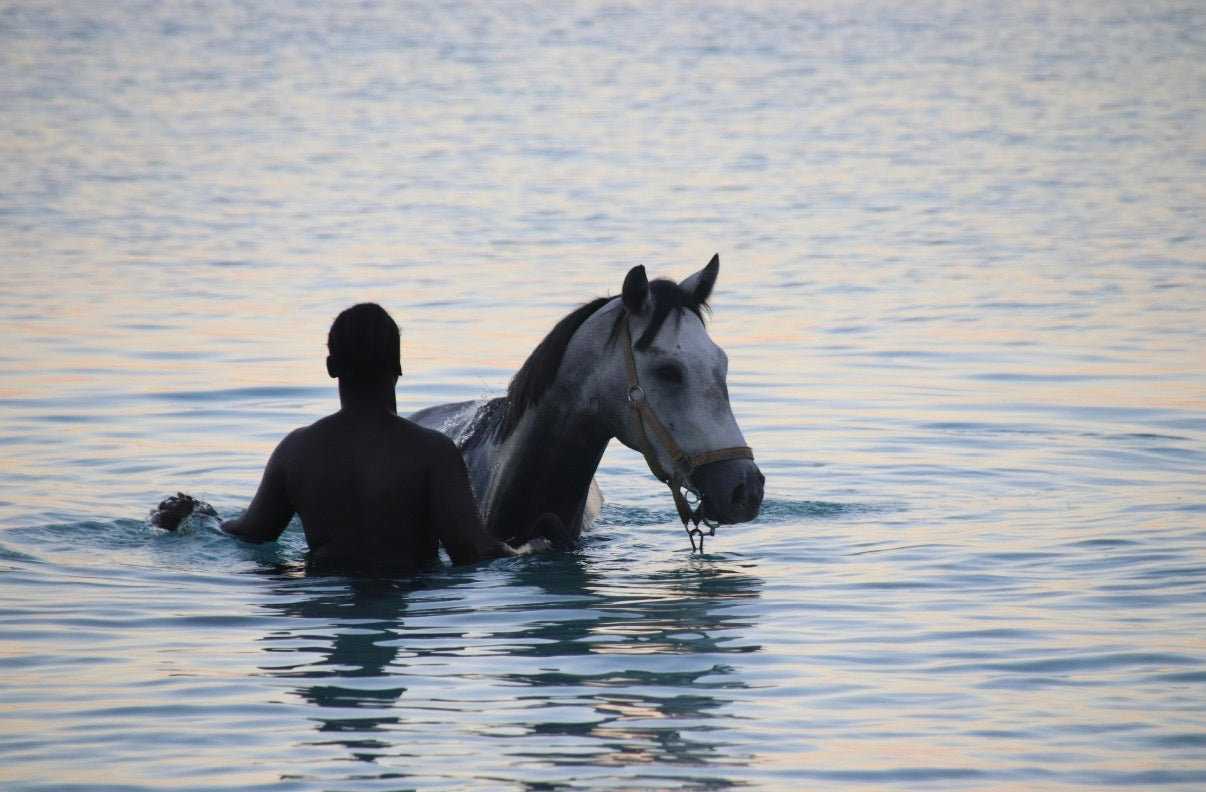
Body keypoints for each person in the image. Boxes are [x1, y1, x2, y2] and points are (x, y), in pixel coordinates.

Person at [151, 302, 565, 572]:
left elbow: (249, 535)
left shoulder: (296, 451)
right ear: (399, 366)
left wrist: (200, 517)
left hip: (322, 605)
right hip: (411, 598)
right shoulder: (431, 453)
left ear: (331, 367)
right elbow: (472, 554)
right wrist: (536, 549)